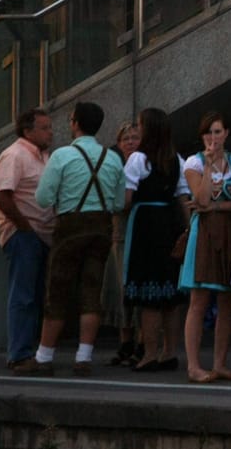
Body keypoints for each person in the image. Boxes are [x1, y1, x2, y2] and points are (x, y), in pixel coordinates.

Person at [15, 102, 124, 377]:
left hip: (70, 226)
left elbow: (43, 198)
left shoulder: (62, 156)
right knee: (91, 291)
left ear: (75, 123)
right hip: (101, 228)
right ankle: (83, 357)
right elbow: (119, 201)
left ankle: (43, 357)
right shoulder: (112, 158)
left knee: (57, 290)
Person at [180, 111, 231, 384]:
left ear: (226, 134)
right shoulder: (194, 163)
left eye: (218, 132)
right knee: (199, 300)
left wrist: (217, 206)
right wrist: (208, 167)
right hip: (204, 232)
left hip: (230, 231)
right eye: (209, 133)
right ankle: (194, 365)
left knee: (227, 300)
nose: (213, 138)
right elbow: (202, 198)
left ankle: (220, 363)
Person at [121, 108, 185, 372]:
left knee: (148, 294)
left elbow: (126, 198)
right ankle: (169, 351)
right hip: (169, 222)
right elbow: (182, 197)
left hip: (146, 223)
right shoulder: (176, 159)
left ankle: (149, 353)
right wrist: (187, 228)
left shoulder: (138, 159)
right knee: (169, 292)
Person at [0, 108, 54, 372]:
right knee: (24, 294)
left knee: (35, 294)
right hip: (24, 234)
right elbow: (2, 195)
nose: (50, 132)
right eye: (44, 128)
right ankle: (19, 353)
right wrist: (24, 226)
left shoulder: (45, 157)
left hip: (42, 234)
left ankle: (29, 351)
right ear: (28, 131)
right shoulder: (15, 155)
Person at [101, 121, 139, 366]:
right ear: (118, 143)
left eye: (135, 138)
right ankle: (125, 342)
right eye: (126, 138)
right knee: (120, 288)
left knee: (138, 289)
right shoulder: (113, 167)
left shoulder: (144, 166)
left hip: (140, 231)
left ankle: (142, 342)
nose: (131, 142)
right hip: (119, 232)